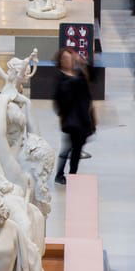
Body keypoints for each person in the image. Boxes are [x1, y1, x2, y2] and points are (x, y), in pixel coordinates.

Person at [51, 46, 95, 182]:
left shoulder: (78, 74)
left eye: (69, 58)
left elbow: (91, 79)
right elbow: (60, 97)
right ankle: (60, 174)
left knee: (76, 148)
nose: (68, 61)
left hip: (82, 117)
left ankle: (72, 174)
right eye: (65, 58)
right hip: (70, 119)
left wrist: (83, 64)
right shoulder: (61, 77)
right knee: (69, 147)